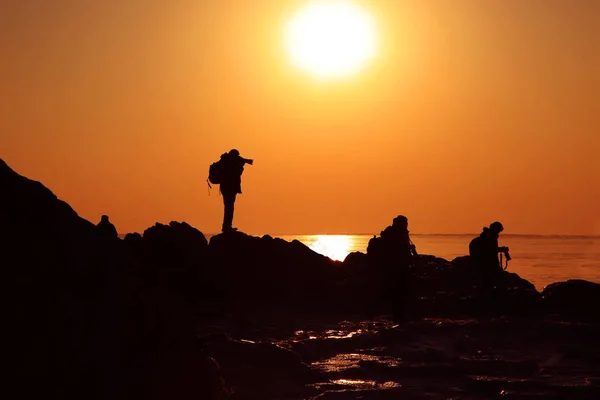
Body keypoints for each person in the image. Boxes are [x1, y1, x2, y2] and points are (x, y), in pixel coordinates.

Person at [366, 215, 418, 323]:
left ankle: (393, 316)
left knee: (394, 294)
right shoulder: (397, 235)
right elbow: (400, 252)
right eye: (405, 223)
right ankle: (397, 317)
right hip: (395, 269)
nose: (407, 225)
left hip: (392, 269)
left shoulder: (393, 234)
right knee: (397, 294)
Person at [218, 149, 253, 232]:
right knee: (229, 208)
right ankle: (227, 227)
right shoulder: (231, 164)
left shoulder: (226, 162)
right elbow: (237, 173)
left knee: (228, 207)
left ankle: (226, 226)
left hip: (225, 188)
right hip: (230, 188)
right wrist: (241, 165)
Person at [469, 221, 510, 290]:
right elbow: (491, 250)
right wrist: (502, 249)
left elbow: (491, 249)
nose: (498, 233)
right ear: (496, 229)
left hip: (481, 260)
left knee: (486, 280)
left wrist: (500, 249)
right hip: (484, 261)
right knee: (488, 279)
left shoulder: (486, 235)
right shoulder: (491, 237)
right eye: (499, 231)